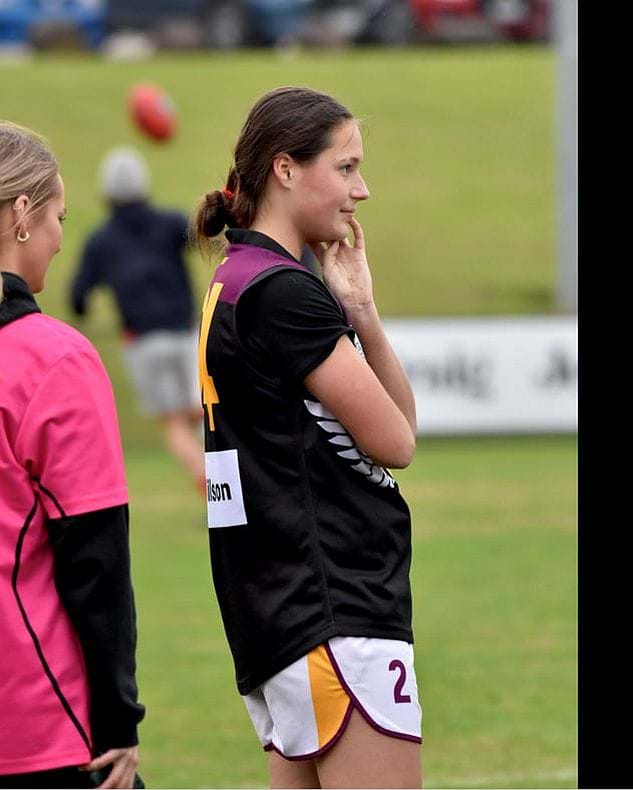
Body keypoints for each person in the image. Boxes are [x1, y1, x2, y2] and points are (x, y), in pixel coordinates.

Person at [192, 87, 422, 788]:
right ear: (286, 169)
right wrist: (347, 313)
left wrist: (360, 310)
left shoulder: (236, 278)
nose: (363, 189)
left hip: (277, 609)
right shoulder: (284, 293)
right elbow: (397, 441)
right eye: (345, 167)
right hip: (333, 608)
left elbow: (396, 426)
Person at [0, 122, 145, 788]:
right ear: (22, 215)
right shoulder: (53, 360)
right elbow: (97, 557)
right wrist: (118, 723)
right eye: (59, 216)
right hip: (37, 723)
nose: (61, 238)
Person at [70, 146, 204, 491]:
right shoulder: (170, 222)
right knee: (199, 408)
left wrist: (84, 309)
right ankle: (222, 476)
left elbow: (78, 296)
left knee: (173, 423)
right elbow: (201, 239)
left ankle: (207, 481)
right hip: (187, 334)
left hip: (142, 342)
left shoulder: (101, 242)